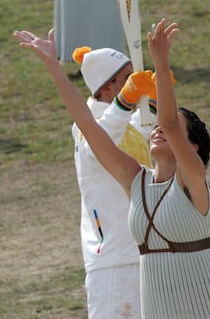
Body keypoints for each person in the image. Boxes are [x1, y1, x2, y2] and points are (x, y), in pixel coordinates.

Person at [14, 18, 210, 318]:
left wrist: (161, 67)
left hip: (207, 307)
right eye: (124, 80)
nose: (158, 131)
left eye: (175, 129)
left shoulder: (193, 181)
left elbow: (165, 123)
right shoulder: (135, 180)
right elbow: (88, 123)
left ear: (193, 148)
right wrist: (54, 68)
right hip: (148, 294)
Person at [67, 44, 156, 317]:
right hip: (113, 259)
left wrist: (157, 97)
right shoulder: (87, 128)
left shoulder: (127, 125)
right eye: (128, 78)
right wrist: (125, 100)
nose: (133, 83)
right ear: (108, 87)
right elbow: (102, 140)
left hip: (146, 249)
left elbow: (152, 131)